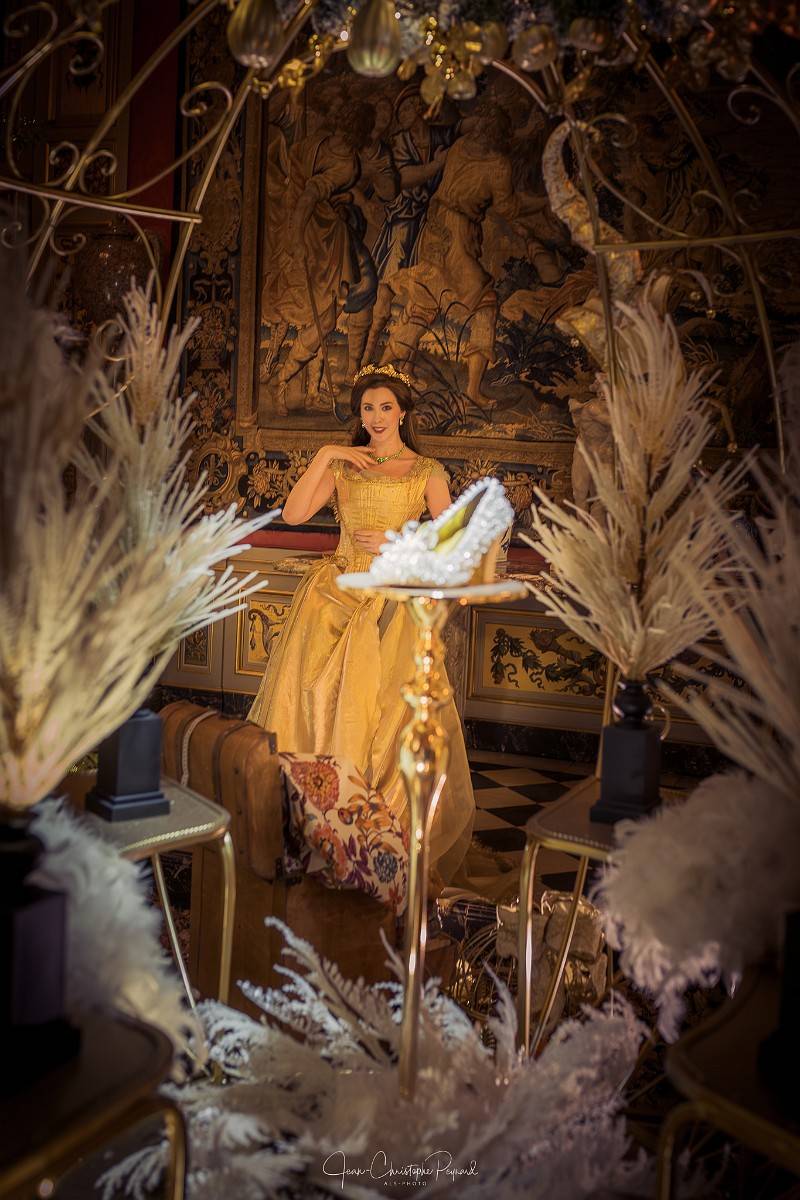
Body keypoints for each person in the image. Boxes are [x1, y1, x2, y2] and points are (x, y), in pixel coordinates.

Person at [248, 365, 475, 884]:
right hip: (332, 599)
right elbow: (294, 514)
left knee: (382, 718)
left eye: (386, 407)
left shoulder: (426, 471)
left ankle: (375, 838)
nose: (375, 417)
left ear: (404, 413)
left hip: (391, 603)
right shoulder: (344, 464)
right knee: (317, 707)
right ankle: (316, 829)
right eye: (368, 408)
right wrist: (326, 454)